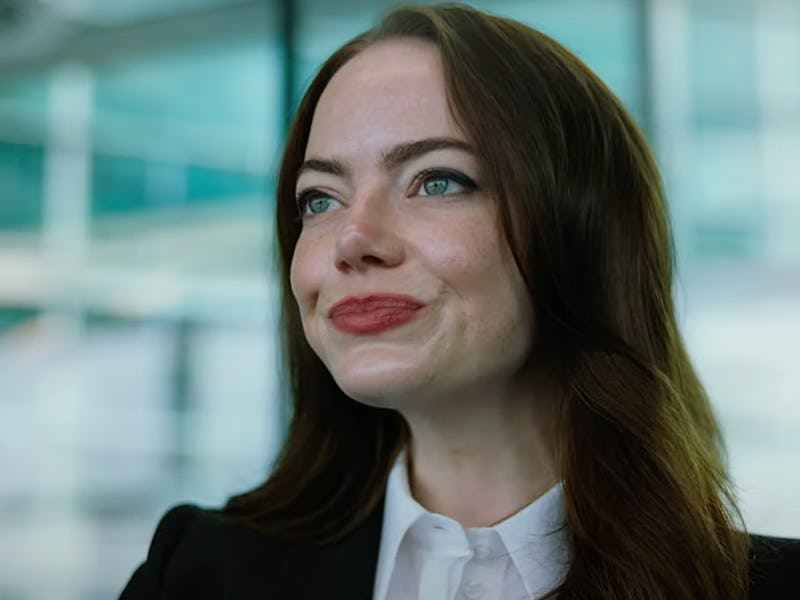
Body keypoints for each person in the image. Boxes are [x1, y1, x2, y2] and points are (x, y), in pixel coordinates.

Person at [119, 4, 799, 599]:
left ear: (583, 232)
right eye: (319, 199)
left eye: (437, 181)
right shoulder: (196, 573)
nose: (352, 239)